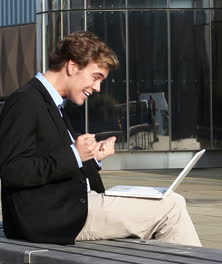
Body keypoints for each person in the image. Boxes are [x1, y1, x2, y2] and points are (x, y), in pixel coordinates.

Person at [0, 31, 201, 246]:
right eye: (96, 77)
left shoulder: (51, 103)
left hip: (66, 210)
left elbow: (54, 162)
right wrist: (76, 155)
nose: (97, 88)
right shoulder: (25, 101)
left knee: (171, 201)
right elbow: (12, 171)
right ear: (72, 66)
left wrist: (91, 158)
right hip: (51, 218)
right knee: (171, 208)